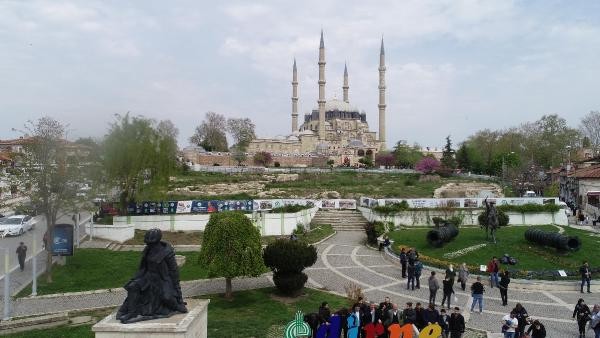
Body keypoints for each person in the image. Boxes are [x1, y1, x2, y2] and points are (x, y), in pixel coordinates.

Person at [116, 229, 187, 323]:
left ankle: (176, 306)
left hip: (162, 279)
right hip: (148, 277)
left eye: (152, 243)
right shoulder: (147, 250)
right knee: (133, 286)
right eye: (148, 243)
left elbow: (174, 272)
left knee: (166, 297)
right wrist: (135, 279)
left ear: (157, 242)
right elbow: (142, 267)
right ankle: (132, 312)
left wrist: (179, 295)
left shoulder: (167, 253)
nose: (149, 245)